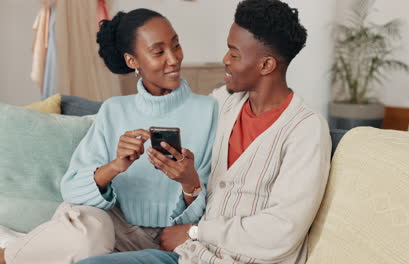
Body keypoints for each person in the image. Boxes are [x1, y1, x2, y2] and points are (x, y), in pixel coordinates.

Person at [79, 0, 331, 263]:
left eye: (234, 54)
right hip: (190, 255)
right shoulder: (223, 104)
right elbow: (177, 108)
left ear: (266, 65)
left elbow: (282, 232)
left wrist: (196, 231)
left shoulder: (306, 130)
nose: (225, 60)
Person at [0, 8, 217, 264]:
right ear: (132, 61)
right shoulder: (114, 110)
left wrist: (189, 183)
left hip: (177, 237)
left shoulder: (211, 109)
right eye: (159, 52)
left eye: (176, 45)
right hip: (114, 229)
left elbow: (220, 196)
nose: (173, 58)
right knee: (88, 231)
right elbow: (71, 188)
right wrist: (115, 166)